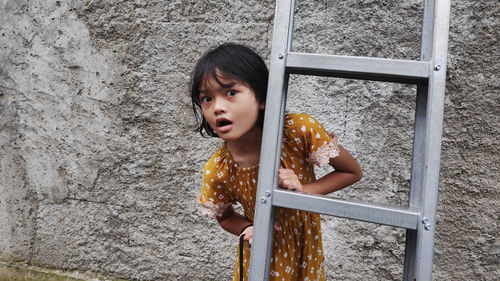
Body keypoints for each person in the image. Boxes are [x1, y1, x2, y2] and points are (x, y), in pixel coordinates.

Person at [191, 43, 362, 281]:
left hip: (306, 256)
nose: (218, 107)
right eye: (207, 98)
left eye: (231, 92)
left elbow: (351, 172)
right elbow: (225, 216)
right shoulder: (219, 169)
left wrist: (303, 191)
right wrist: (246, 229)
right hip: (258, 262)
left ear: (262, 98)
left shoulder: (297, 132)